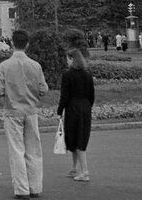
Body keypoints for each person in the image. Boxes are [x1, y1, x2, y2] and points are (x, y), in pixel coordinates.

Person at [0, 30, 48, 199]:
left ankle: (22, 189)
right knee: (33, 150)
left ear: (12, 43)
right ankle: (35, 187)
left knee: (17, 150)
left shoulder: (4, 66)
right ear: (27, 44)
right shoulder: (35, 65)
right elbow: (43, 89)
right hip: (31, 111)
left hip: (12, 111)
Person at [57, 48, 95, 182]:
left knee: (75, 140)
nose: (66, 62)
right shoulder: (87, 74)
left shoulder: (68, 75)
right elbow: (92, 95)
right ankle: (74, 168)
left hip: (73, 108)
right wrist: (86, 106)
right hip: (85, 107)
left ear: (72, 59)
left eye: (67, 59)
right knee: (79, 138)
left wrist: (59, 111)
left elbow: (64, 96)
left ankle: (85, 171)